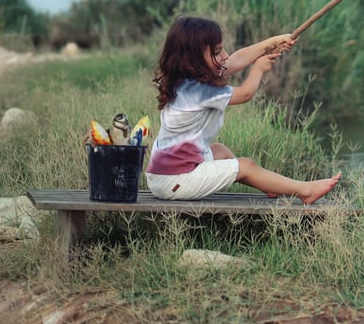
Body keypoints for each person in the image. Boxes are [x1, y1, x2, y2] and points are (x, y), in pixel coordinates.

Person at [145, 16, 341, 203]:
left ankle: (269, 185)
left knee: (219, 151)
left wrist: (272, 42)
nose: (225, 56)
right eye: (217, 52)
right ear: (193, 59)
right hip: (175, 181)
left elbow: (236, 60)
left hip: (164, 176)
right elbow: (245, 94)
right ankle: (306, 192)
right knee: (246, 166)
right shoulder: (198, 91)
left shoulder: (185, 79)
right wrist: (258, 69)